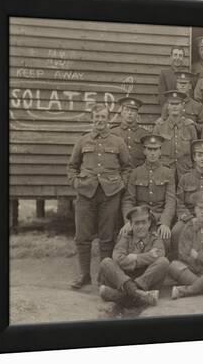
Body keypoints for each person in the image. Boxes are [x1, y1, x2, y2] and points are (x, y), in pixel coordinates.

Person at [66, 104, 131, 289]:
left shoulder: (117, 142)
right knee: (82, 236)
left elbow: (127, 167)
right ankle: (84, 274)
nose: (100, 120)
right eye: (97, 117)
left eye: (103, 117)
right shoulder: (83, 140)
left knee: (107, 236)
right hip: (86, 193)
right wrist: (76, 183)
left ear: (108, 119)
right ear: (92, 118)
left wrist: (121, 184)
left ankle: (105, 276)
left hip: (110, 194)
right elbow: (72, 166)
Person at [99, 206, 170, 306]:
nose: (140, 226)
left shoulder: (155, 238)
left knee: (163, 262)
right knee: (106, 262)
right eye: (136, 223)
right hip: (124, 278)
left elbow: (160, 254)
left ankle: (121, 294)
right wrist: (147, 256)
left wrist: (135, 257)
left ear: (149, 223)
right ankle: (139, 294)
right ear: (131, 225)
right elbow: (118, 258)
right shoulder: (125, 238)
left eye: (144, 222)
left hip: (146, 280)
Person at [120, 134, 176, 244]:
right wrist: (128, 221)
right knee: (124, 237)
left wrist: (165, 223)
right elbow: (128, 200)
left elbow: (171, 201)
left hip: (159, 218)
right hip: (139, 217)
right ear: (144, 151)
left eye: (155, 149)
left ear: (160, 151)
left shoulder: (167, 173)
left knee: (165, 238)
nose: (152, 153)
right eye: (149, 149)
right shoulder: (135, 173)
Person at [153, 90, 198, 180]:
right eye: (172, 104)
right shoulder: (159, 127)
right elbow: (154, 151)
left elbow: (195, 151)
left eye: (177, 104)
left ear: (182, 106)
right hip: (165, 170)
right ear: (167, 106)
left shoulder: (189, 127)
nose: (174, 107)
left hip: (185, 170)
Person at [160, 70, 203, 135]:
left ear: (190, 86)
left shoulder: (198, 106)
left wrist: (194, 124)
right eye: (180, 83)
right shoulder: (168, 105)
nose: (182, 86)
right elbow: (162, 123)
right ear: (177, 85)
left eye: (185, 84)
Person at [110, 96, 150, 168]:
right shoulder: (112, 133)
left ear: (137, 113)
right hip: (118, 174)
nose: (129, 113)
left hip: (138, 175)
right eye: (127, 110)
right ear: (121, 112)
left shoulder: (144, 134)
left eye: (133, 110)